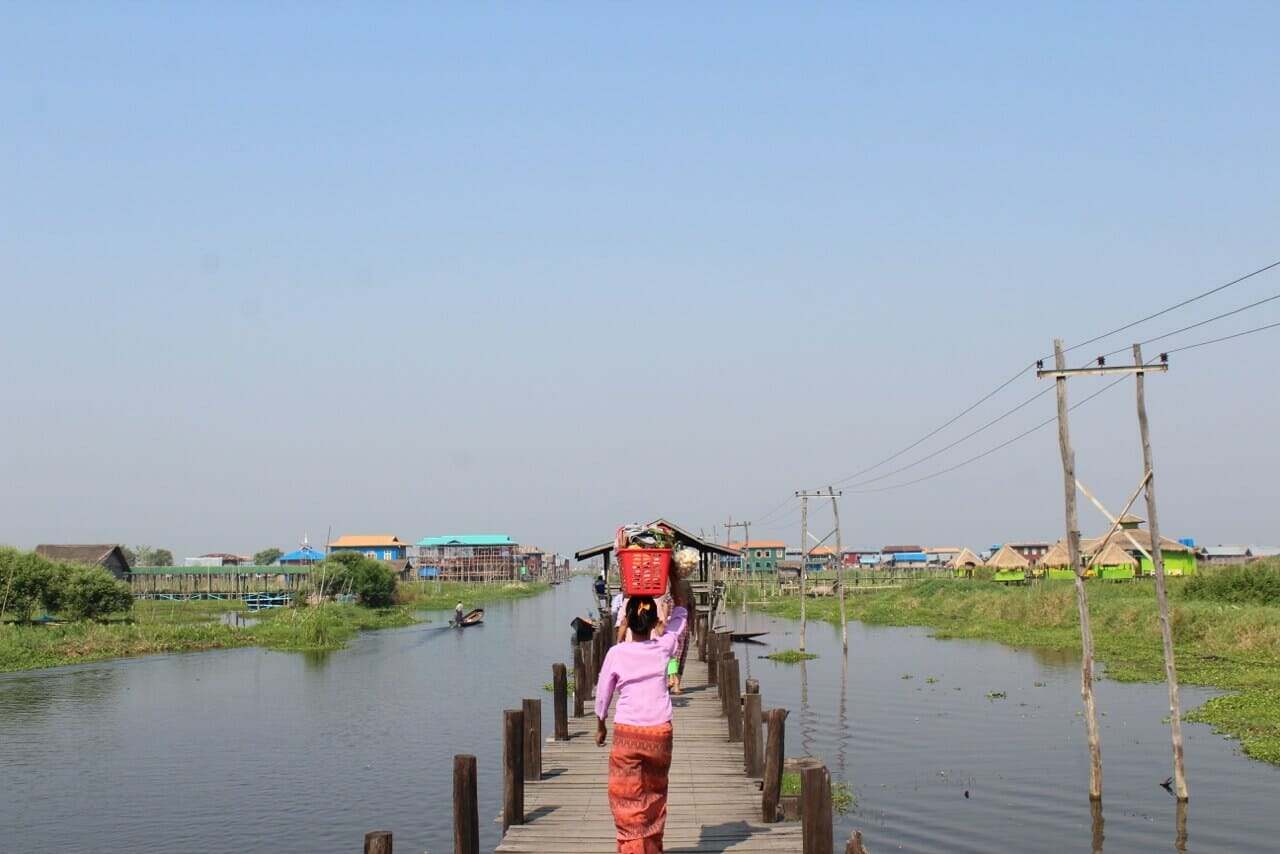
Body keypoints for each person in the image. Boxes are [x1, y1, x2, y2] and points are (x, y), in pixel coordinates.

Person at [594, 580, 688, 853]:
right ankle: (651, 846)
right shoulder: (662, 647)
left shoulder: (617, 653)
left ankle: (633, 849)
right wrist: (675, 584)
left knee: (626, 797)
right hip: (659, 733)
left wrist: (600, 724)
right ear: (654, 621)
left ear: (626, 620)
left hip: (628, 733)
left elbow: (603, 694)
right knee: (655, 795)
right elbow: (680, 618)